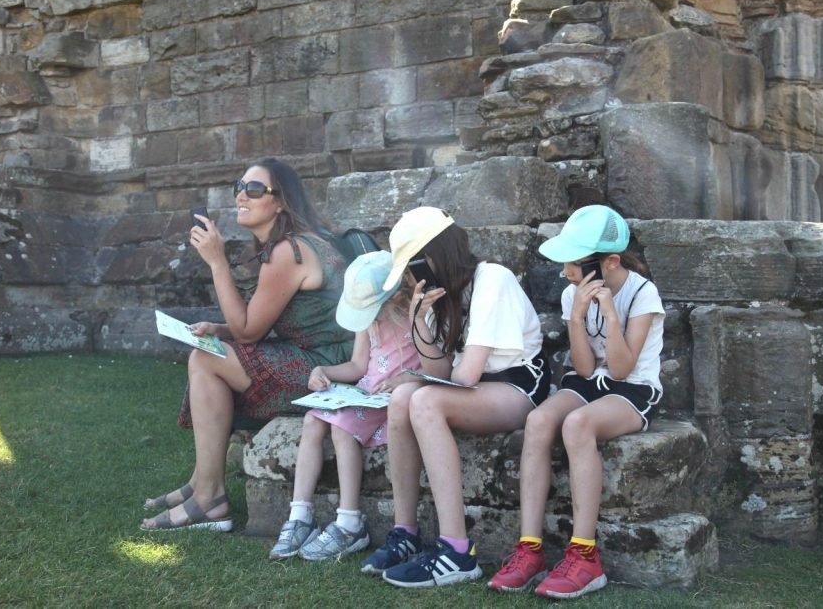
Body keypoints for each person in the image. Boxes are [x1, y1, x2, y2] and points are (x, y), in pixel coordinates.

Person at [141, 158, 354, 531]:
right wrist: (220, 329)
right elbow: (253, 324)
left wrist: (217, 262)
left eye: (254, 189)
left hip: (330, 371)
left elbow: (249, 334)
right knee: (209, 350)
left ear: (280, 202)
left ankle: (210, 497)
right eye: (239, 186)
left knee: (206, 361)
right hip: (325, 357)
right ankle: (201, 483)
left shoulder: (289, 252)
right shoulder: (300, 243)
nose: (242, 194)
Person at [361, 207, 549, 588]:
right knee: (402, 400)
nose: (411, 279)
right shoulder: (440, 297)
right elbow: (440, 373)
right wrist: (420, 327)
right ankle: (406, 532)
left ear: (430, 259)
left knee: (423, 400)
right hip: (475, 389)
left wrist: (419, 377)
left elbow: (463, 376)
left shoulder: (491, 278)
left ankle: (457, 551)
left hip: (517, 387)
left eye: (413, 267)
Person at [487, 205, 665, 599]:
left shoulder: (642, 293)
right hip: (589, 382)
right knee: (538, 421)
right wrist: (577, 316)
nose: (565, 272)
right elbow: (584, 369)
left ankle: (585, 555)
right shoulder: (573, 293)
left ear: (610, 262)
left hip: (632, 388)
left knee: (577, 424)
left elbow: (620, 371)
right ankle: (530, 548)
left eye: (573, 263)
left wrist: (609, 315)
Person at [268, 250, 420, 560]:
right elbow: (357, 365)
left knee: (341, 428)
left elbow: (434, 367)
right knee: (313, 420)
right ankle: (300, 516)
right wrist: (324, 372)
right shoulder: (368, 321)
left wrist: (403, 380)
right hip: (366, 392)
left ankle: (350, 522)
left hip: (392, 399)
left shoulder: (417, 317)